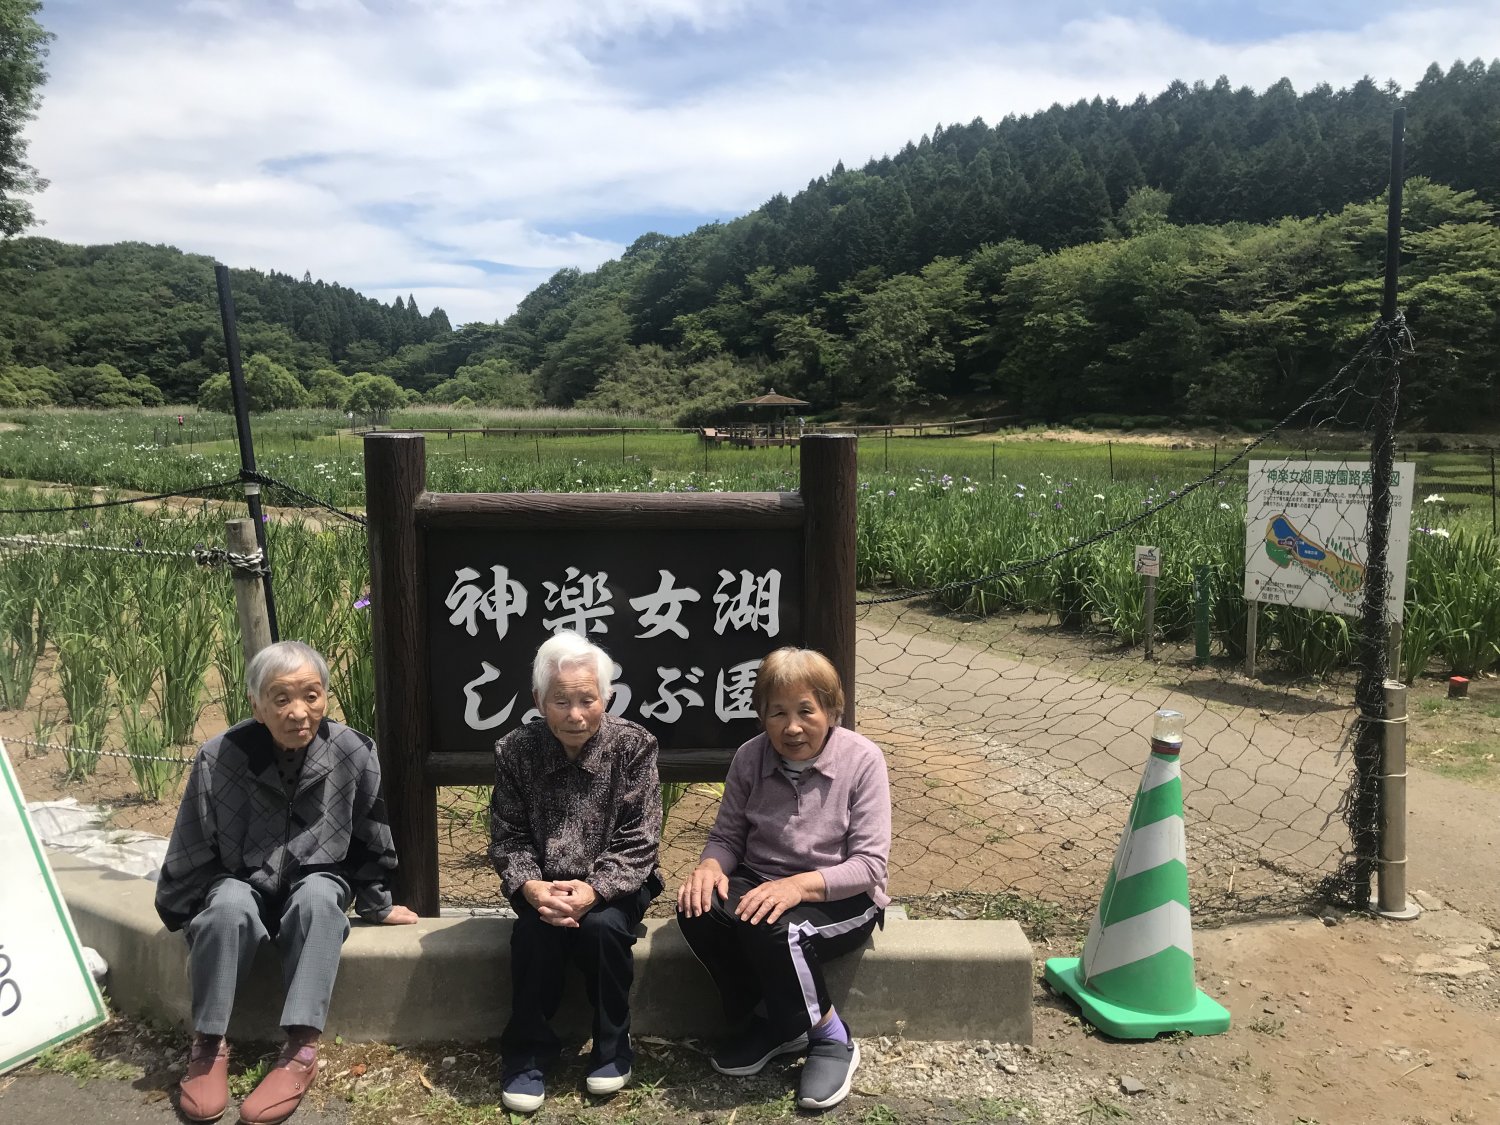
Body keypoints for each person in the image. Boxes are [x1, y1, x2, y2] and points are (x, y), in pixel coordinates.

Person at [155, 641, 418, 1124]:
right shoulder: (219, 757)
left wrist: (378, 903)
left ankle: (300, 1048)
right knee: (226, 908)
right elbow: (192, 838)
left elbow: (369, 833)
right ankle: (209, 1044)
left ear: (326, 697)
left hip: (319, 873)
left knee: (320, 900)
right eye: (281, 699)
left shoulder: (353, 752)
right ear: (256, 705)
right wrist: (183, 906)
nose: (299, 712)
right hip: (240, 876)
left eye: (312, 696)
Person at [677, 647, 890, 1111]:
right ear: (762, 716)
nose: (791, 727)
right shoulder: (749, 758)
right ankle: (777, 1020)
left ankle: (831, 1037)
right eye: (778, 713)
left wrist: (797, 887)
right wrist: (711, 866)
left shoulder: (863, 760)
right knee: (697, 909)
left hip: (840, 891)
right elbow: (727, 836)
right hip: (761, 877)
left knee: (777, 926)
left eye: (806, 711)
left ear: (833, 710)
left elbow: (870, 865)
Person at [489, 631, 663, 1114]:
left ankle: (612, 1047)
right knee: (534, 937)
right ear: (538, 701)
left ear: (605, 697)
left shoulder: (634, 747)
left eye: (587, 699)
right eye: (560, 701)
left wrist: (595, 889)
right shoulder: (515, 751)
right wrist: (531, 886)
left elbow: (640, 839)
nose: (575, 714)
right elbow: (508, 835)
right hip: (541, 881)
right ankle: (527, 1052)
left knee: (605, 931)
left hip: (617, 881)